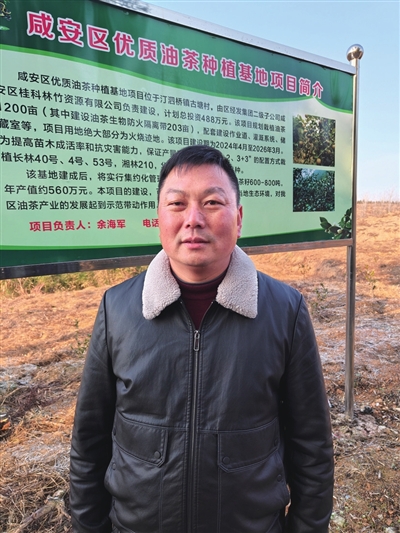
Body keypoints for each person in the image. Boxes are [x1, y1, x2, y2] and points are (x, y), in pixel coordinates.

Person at [70, 145, 334, 533]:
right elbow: (89, 443)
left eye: (212, 202)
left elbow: (311, 447)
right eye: (177, 204)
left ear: (238, 218)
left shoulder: (284, 310)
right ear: (158, 218)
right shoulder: (118, 309)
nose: (193, 220)